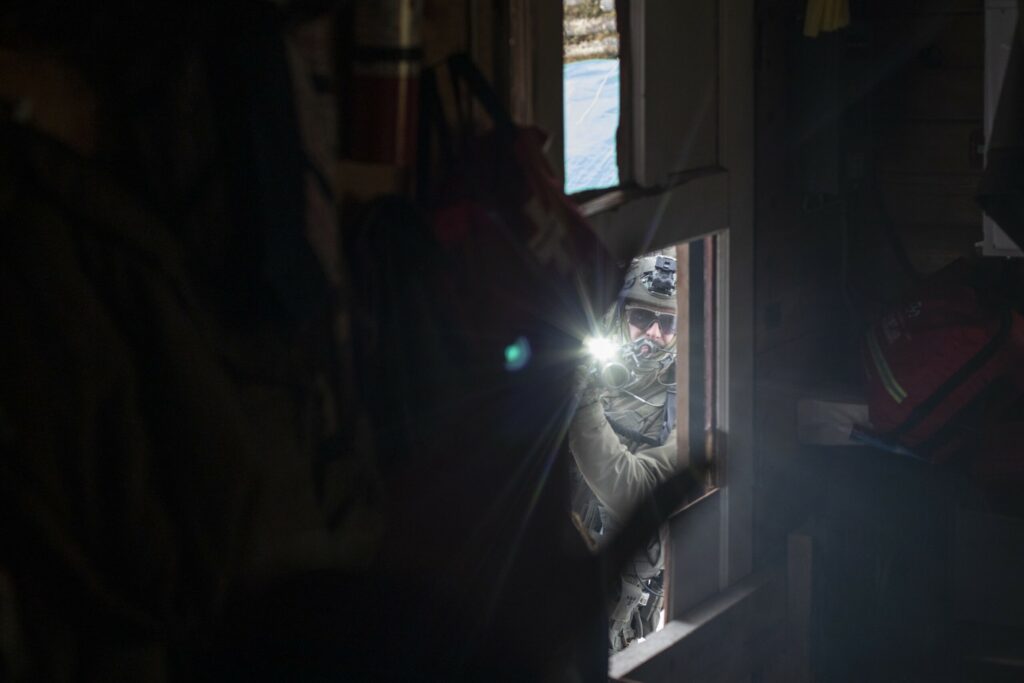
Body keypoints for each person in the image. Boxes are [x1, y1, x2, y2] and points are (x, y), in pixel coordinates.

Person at [569, 250, 681, 652]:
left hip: (613, 603)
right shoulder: (591, 367)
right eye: (641, 318)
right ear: (621, 317)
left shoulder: (685, 407)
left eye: (667, 323)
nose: (652, 334)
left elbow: (631, 489)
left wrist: (582, 402)